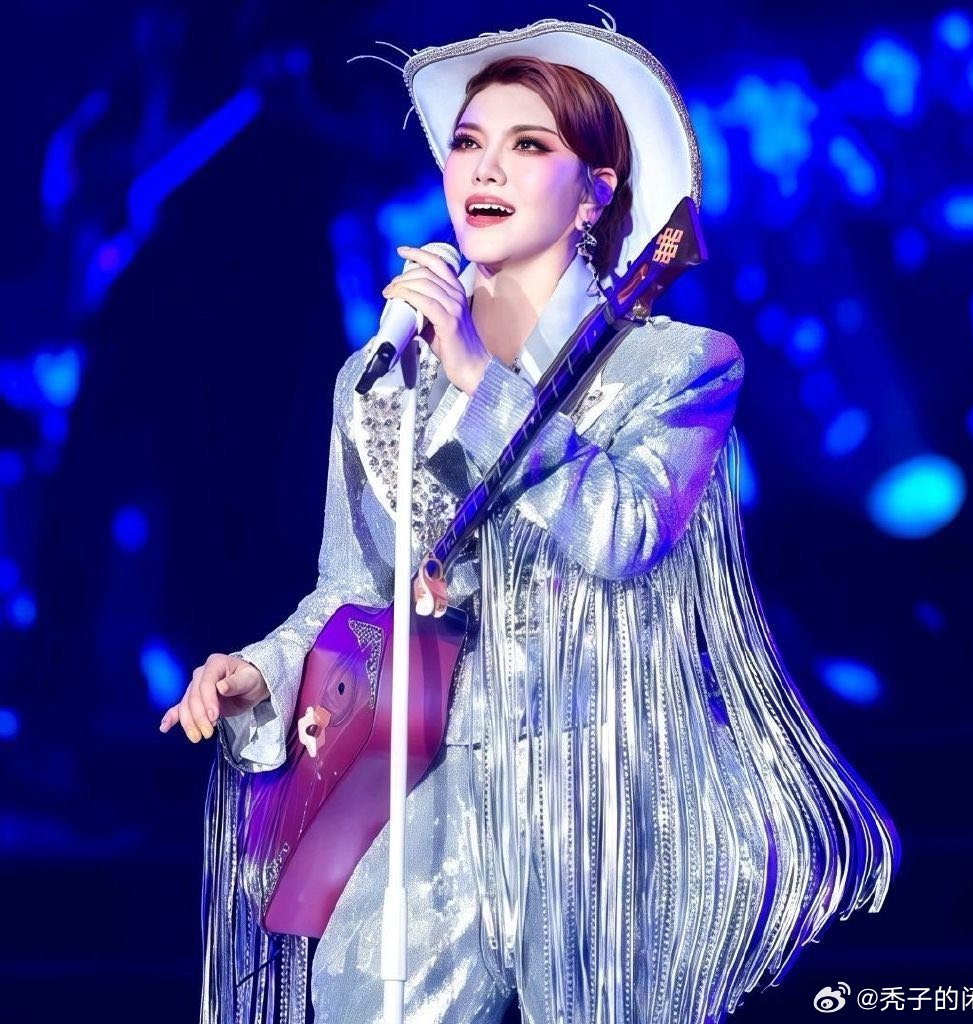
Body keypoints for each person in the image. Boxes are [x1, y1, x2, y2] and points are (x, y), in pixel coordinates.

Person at [159, 17, 901, 1024]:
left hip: (605, 792)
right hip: (435, 787)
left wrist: (478, 375)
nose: (485, 167)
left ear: (595, 190)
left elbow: (623, 533)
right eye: (468, 142)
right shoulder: (382, 381)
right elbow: (354, 594)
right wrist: (260, 672)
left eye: (528, 144)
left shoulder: (678, 367)